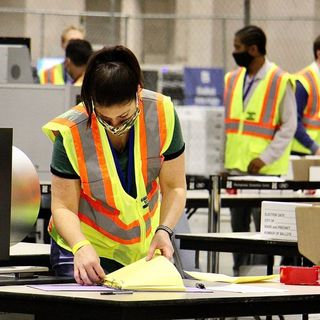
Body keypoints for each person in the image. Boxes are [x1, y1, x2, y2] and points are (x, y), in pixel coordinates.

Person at [42, 45, 186, 285]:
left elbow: (174, 187)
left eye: (125, 117)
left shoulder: (162, 113)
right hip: (82, 247)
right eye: (105, 118)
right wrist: (80, 246)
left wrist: (165, 230)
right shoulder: (70, 132)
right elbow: (63, 207)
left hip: (142, 247)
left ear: (138, 93)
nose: (115, 125)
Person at [223, 25, 297, 276]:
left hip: (264, 173)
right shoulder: (232, 79)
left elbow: (289, 126)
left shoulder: (280, 80)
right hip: (236, 169)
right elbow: (229, 125)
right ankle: (239, 277)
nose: (235, 52)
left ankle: (260, 280)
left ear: (253, 49)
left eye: (238, 47)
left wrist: (265, 158)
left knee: (264, 231)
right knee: (238, 228)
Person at [291, 35, 320, 156]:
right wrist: (314, 148)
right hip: (303, 153)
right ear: (319, 53)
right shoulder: (304, 80)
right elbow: (293, 120)